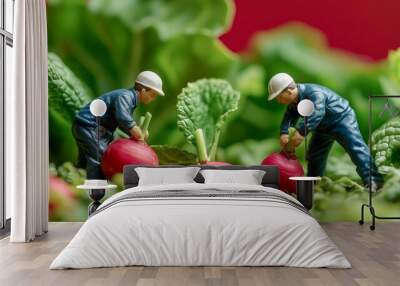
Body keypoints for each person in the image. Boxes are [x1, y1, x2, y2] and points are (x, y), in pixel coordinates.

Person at [267, 72, 384, 191]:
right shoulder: (293, 103)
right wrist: (284, 132)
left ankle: (374, 180)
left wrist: (301, 132)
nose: (279, 101)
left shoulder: (314, 93)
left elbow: (317, 113)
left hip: (342, 120)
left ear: (288, 91)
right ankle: (314, 184)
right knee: (314, 155)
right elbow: (289, 116)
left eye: (278, 97)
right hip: (322, 127)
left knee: (356, 148)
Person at [72, 71, 165, 179]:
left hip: (92, 128)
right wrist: (135, 129)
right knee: (100, 156)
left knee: (86, 157)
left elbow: (120, 121)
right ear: (143, 90)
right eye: (152, 95)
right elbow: (123, 118)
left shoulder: (130, 98)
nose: (153, 99)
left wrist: (135, 130)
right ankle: (95, 187)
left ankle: (76, 176)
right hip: (89, 126)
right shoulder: (125, 97)